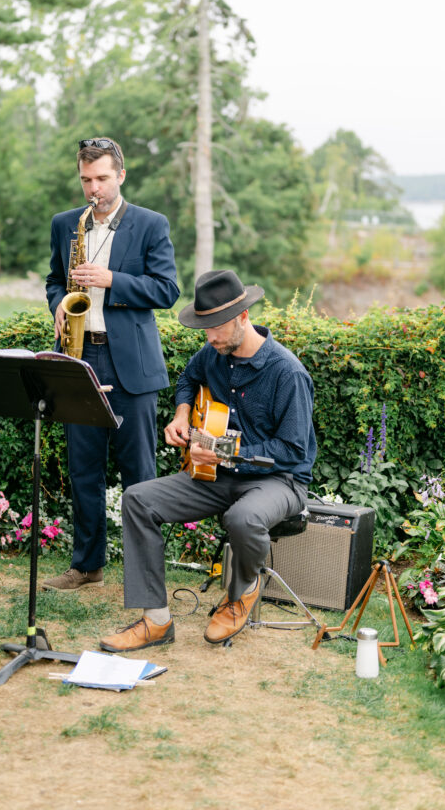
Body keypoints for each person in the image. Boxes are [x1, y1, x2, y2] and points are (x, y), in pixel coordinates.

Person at [99, 268, 317, 650]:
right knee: (137, 499)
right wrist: (182, 414)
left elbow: (293, 450)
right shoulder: (215, 353)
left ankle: (243, 590)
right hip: (217, 475)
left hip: (279, 481)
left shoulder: (288, 373)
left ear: (243, 317)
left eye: (216, 327)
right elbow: (188, 378)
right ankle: (156, 621)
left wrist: (223, 453)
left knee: (243, 517)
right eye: (205, 328)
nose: (210, 337)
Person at [42, 137, 179, 592]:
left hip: (130, 365)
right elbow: (53, 279)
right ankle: (87, 565)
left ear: (121, 175)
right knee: (83, 468)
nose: (93, 189)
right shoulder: (66, 224)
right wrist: (59, 304)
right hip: (79, 356)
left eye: (102, 178)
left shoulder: (151, 224)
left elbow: (167, 290)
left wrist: (111, 280)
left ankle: (145, 574)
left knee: (139, 472)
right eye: (86, 180)